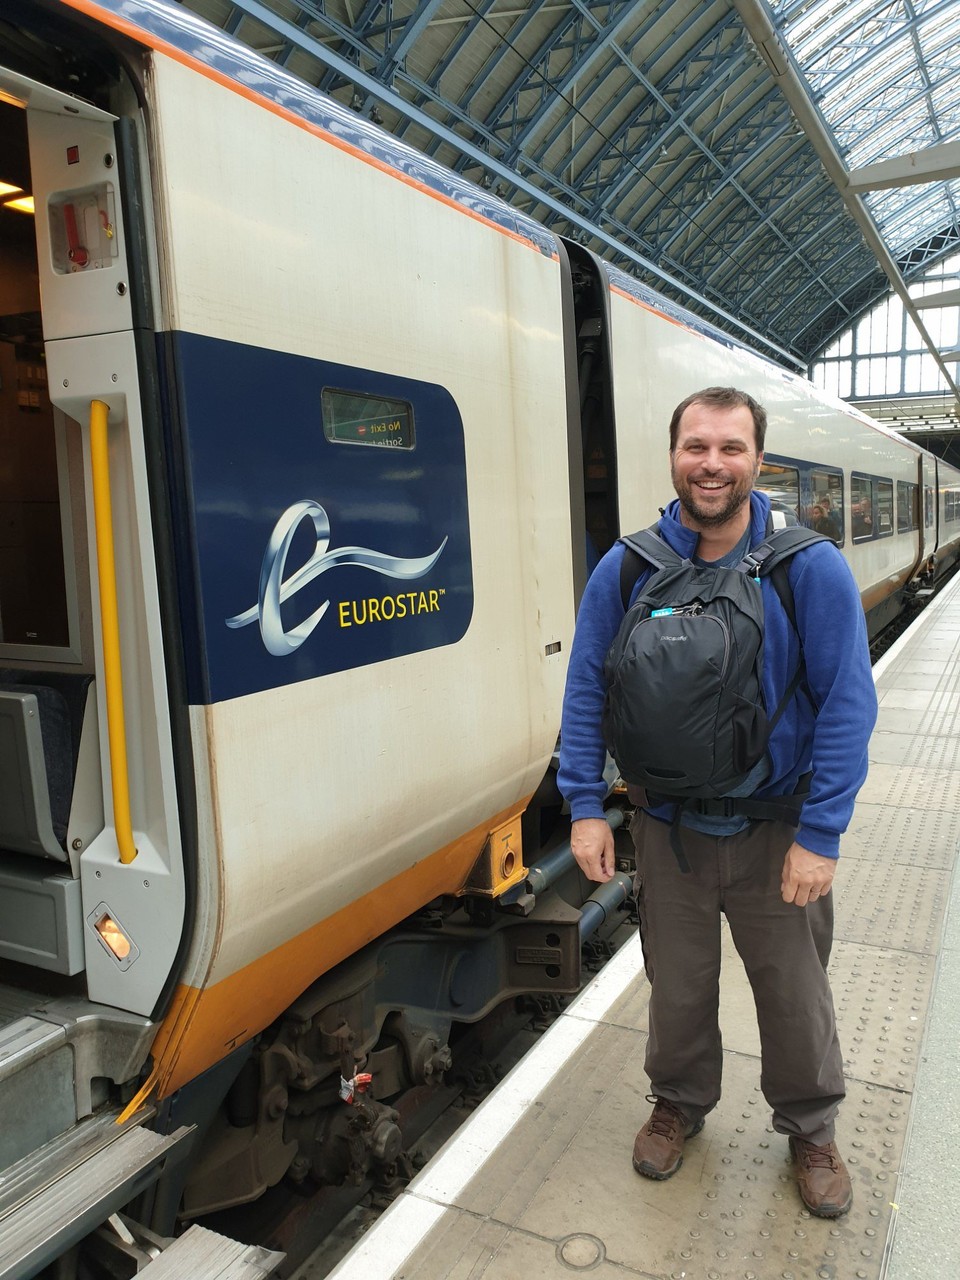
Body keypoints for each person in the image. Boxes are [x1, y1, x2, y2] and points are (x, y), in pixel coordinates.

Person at [558, 386, 876, 1219]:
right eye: (697, 447)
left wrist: (824, 831)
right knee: (677, 988)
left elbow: (847, 701)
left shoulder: (808, 567)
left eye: (730, 449)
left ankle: (810, 1126)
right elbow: (588, 685)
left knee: (795, 992)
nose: (712, 464)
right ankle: (679, 1103)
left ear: (757, 461)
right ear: (673, 455)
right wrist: (585, 804)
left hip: (779, 833)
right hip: (668, 832)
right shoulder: (626, 567)